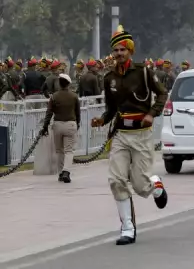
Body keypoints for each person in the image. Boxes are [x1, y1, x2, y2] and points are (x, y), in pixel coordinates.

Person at [90, 25, 169, 246]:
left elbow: (162, 94)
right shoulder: (109, 78)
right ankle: (127, 228)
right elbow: (111, 109)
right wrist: (102, 120)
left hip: (142, 134)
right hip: (121, 134)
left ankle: (155, 185)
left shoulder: (143, 72)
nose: (118, 54)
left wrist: (153, 113)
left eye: (122, 50)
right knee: (116, 180)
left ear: (130, 51)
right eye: (115, 50)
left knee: (140, 186)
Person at [42, 74, 80, 183]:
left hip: (57, 124)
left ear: (59, 83)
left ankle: (60, 173)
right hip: (70, 124)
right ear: (68, 83)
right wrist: (78, 123)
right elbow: (78, 113)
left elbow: (49, 113)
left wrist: (45, 126)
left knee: (59, 151)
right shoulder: (74, 96)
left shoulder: (54, 96)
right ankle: (66, 172)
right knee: (69, 150)